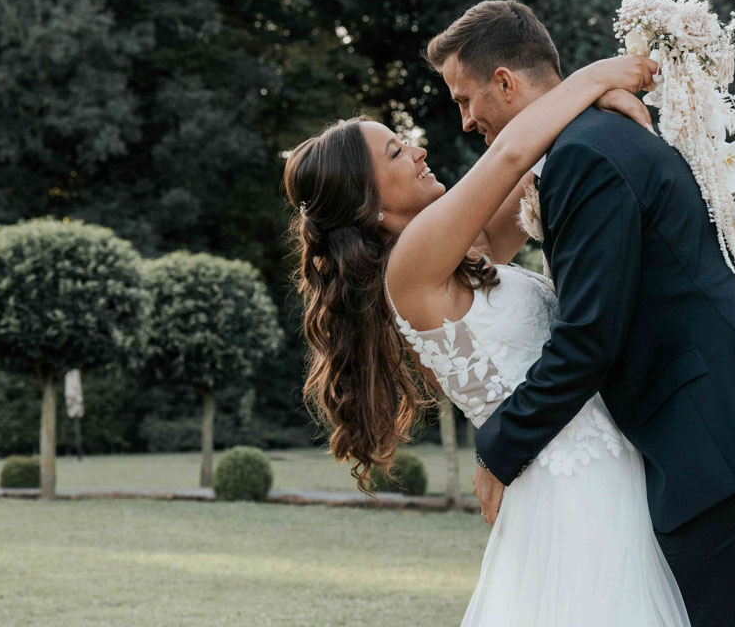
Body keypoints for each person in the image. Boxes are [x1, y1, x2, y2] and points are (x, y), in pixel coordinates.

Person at [433, 0, 735, 627]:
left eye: (465, 99)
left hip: (717, 441)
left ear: (506, 82)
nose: (465, 120)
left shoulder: (582, 156)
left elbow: (589, 338)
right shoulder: (596, 137)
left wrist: (499, 451)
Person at [285, 50, 690, 626]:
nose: (419, 150)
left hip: (600, 465)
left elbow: (531, 165)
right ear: (366, 202)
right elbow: (512, 153)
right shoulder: (412, 267)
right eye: (396, 152)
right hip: (572, 485)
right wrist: (596, 76)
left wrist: (589, 102)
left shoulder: (461, 258)